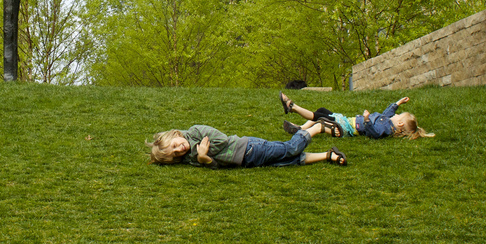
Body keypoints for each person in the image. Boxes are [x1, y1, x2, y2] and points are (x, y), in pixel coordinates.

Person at [147, 123, 347, 168]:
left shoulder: (196, 132)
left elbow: (222, 140)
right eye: (174, 154)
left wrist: (205, 149)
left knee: (290, 148)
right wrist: (204, 158)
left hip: (250, 148)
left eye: (175, 144)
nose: (178, 149)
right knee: (288, 161)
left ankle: (318, 127)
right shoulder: (191, 158)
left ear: (175, 135)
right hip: (246, 162)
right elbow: (215, 165)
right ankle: (328, 155)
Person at [280, 93, 434, 140]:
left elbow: (373, 132)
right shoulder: (387, 120)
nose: (396, 114)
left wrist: (367, 120)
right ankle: (299, 128)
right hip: (346, 120)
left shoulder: (385, 128)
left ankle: (292, 107)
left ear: (399, 124)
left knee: (319, 117)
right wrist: (397, 104)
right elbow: (388, 112)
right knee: (321, 110)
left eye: (399, 115)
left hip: (346, 127)